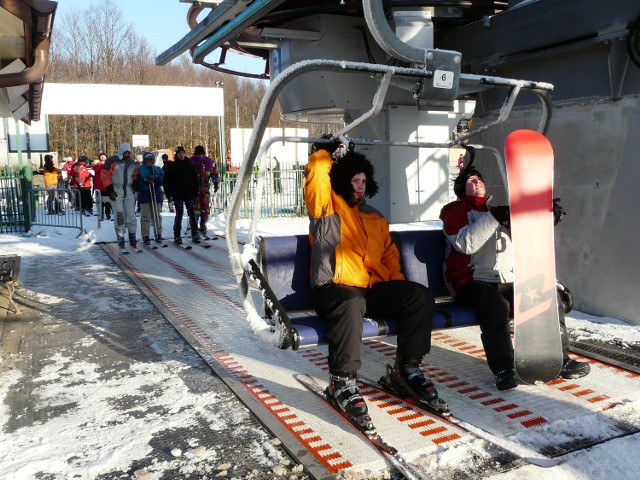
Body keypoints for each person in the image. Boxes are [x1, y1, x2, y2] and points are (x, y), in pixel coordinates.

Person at [304, 139, 437, 431]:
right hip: (335, 289)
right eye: (354, 180)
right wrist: (322, 153)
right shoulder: (328, 207)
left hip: (371, 290)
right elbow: (316, 180)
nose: (361, 186)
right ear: (342, 180)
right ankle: (341, 381)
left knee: (418, 295)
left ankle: (407, 369)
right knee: (351, 302)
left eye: (364, 180)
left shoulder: (375, 216)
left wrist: (398, 292)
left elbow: (390, 256)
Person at [439, 163, 590, 391]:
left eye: (478, 178)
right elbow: (465, 244)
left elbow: (529, 239)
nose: (476, 181)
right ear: (462, 189)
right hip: (469, 281)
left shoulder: (499, 210)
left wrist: (545, 216)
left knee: (546, 297)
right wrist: (494, 217)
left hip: (506, 278)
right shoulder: (456, 211)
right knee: (496, 306)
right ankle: (504, 368)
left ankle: (557, 358)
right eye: (470, 180)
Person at [102, 143, 139, 251]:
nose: (127, 155)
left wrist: (136, 184)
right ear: (121, 152)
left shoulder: (132, 163)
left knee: (131, 215)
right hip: (116, 190)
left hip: (128, 190)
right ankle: (120, 237)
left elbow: (135, 175)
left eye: (128, 153)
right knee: (119, 215)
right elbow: (105, 175)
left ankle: (132, 237)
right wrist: (109, 189)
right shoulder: (111, 161)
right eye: (125, 153)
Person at [163, 146, 199, 244]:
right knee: (179, 213)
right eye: (179, 153)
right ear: (176, 154)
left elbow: (195, 180)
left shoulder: (190, 165)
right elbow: (167, 181)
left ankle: (195, 233)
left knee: (192, 212)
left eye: (183, 153)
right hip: (177, 193)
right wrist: (168, 193)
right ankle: (177, 234)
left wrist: (195, 193)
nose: (181, 155)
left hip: (189, 193)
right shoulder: (172, 166)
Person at [189, 145, 219, 239]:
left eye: (201, 154)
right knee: (196, 207)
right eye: (198, 154)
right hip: (194, 188)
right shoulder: (191, 161)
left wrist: (216, 182)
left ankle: (203, 224)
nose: (199, 156)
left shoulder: (209, 162)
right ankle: (194, 225)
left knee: (205, 207)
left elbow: (214, 173)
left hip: (205, 188)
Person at [137, 152, 165, 245]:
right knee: (146, 216)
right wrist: (146, 179)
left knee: (156, 215)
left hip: (155, 193)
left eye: (151, 159)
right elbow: (139, 178)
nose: (150, 161)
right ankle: (146, 235)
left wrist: (156, 177)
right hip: (144, 193)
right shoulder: (140, 168)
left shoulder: (157, 169)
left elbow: (163, 179)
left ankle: (158, 233)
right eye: (148, 159)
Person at [93, 152, 112, 220]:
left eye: (104, 156)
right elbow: (95, 171)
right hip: (99, 186)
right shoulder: (97, 165)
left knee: (107, 201)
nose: (102, 157)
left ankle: (108, 214)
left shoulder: (109, 165)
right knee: (100, 201)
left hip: (106, 185)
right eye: (101, 156)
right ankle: (101, 215)